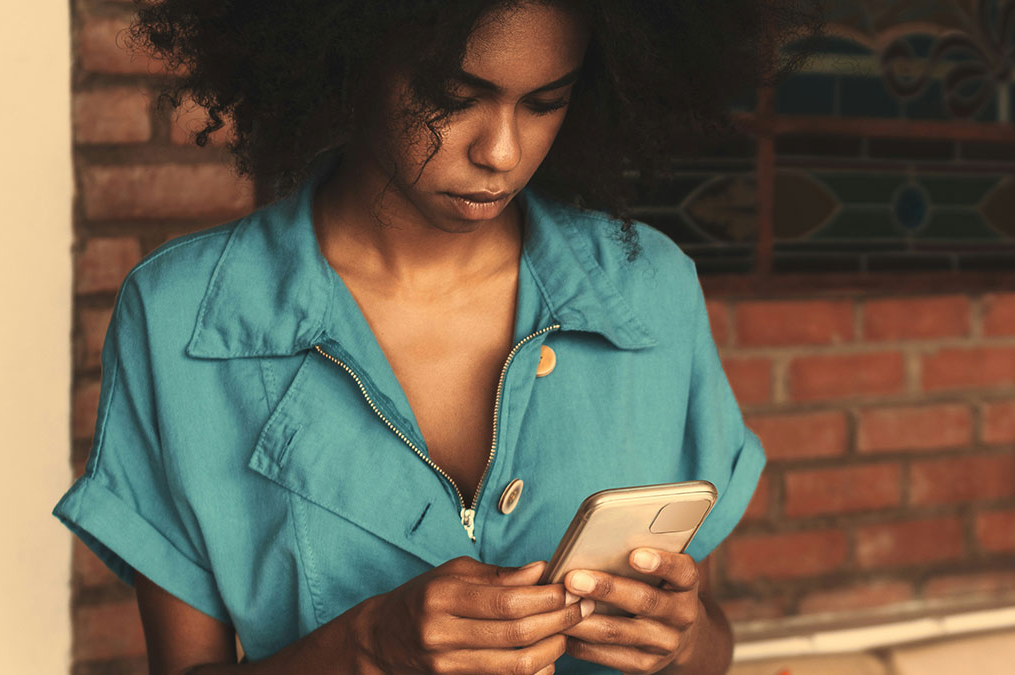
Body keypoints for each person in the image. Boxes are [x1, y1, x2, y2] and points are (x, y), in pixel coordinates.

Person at [54, 1, 825, 673]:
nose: (502, 151)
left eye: (545, 102)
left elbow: (711, 646)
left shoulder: (647, 287)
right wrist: (365, 647)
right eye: (454, 97)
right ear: (351, 59)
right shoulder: (182, 318)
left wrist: (681, 643)